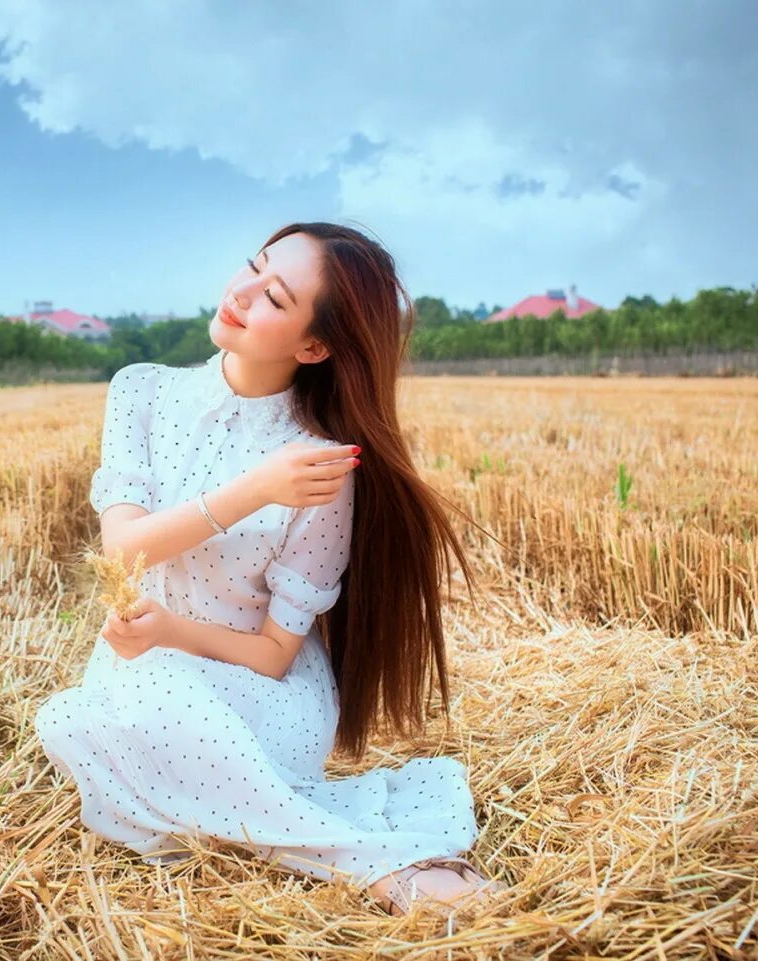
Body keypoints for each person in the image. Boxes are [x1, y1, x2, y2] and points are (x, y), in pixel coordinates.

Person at [33, 221, 505, 917]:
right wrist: (253, 489)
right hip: (147, 669)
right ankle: (358, 854)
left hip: (264, 694)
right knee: (86, 721)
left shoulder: (319, 466)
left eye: (275, 297)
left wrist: (172, 629)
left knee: (129, 733)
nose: (241, 292)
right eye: (252, 268)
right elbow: (122, 551)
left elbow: (275, 652)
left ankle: (371, 868)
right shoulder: (140, 391)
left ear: (313, 346)